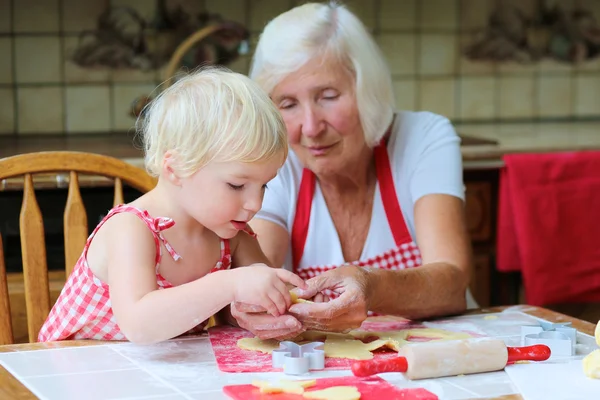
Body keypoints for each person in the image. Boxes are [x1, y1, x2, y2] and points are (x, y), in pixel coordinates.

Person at [228, 2, 476, 340]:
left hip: (435, 353)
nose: (311, 127)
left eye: (328, 96)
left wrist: (370, 286)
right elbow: (255, 273)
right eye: (288, 105)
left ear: (366, 90)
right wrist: (250, 306)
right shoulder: (277, 166)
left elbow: (452, 283)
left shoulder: (422, 139)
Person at [38, 67, 306, 344]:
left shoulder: (232, 234)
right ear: (176, 168)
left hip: (151, 374)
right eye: (236, 185)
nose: (255, 203)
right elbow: (140, 326)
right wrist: (231, 284)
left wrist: (291, 302)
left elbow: (243, 312)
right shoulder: (131, 229)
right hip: (74, 372)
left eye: (264, 185)